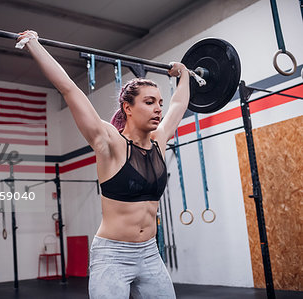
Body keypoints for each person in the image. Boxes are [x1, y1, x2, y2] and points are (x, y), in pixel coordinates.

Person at [17, 30, 189, 299]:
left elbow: (179, 103)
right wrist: (34, 44)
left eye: (159, 103)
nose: (158, 109)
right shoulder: (109, 142)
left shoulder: (159, 140)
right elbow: (69, 89)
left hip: (150, 253)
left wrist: (185, 74)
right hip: (113, 256)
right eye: (149, 102)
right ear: (127, 108)